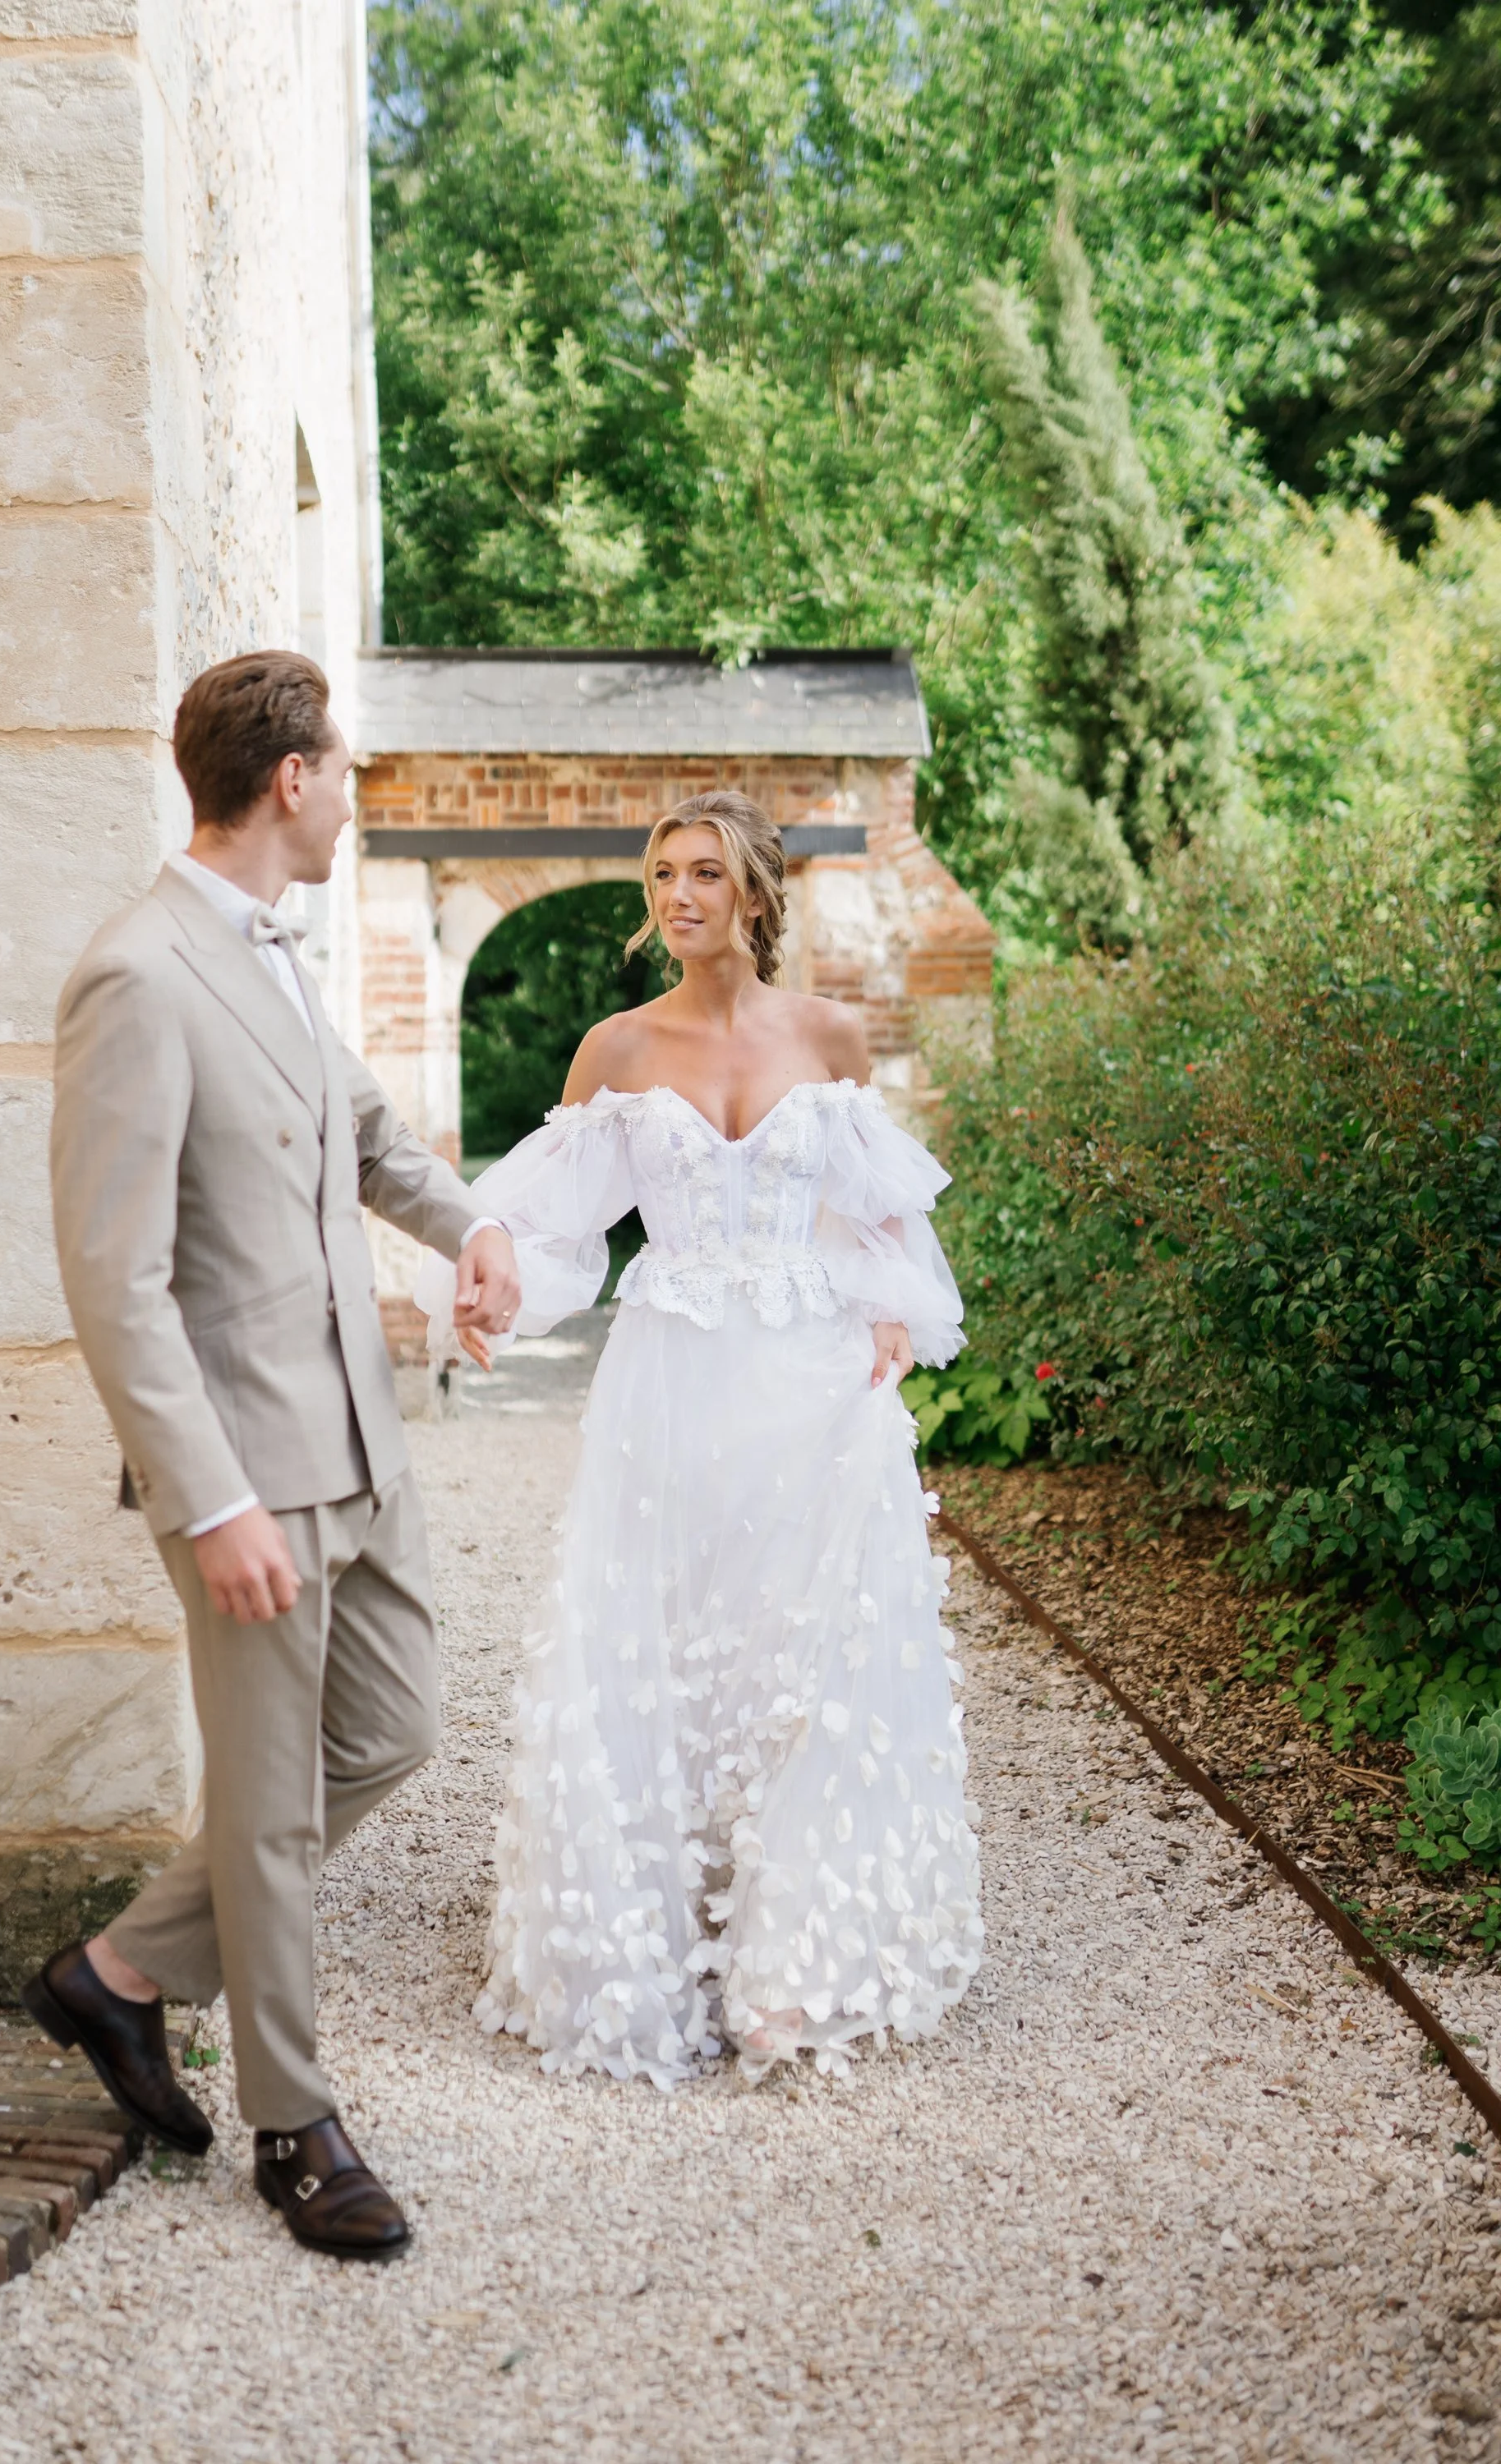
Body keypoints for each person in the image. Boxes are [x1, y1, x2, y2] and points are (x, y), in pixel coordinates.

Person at [25, 651, 521, 2259]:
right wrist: (211, 1494)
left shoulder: (275, 955)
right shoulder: (139, 975)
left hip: (360, 1446)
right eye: (343, 767)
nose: (351, 792)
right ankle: (295, 2127)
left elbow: (363, 1136)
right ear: (288, 778)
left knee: (388, 1734)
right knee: (269, 1805)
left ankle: (113, 1978)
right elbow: (117, 1282)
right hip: (245, 1474)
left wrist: (470, 1231)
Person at [419, 791, 983, 2088]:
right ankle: (634, 1952)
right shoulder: (616, 1050)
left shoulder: (829, 1036)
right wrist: (493, 1279)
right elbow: (553, 1227)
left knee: (810, 1661)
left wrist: (888, 1318)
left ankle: (799, 1968)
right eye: (663, 873)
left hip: (811, 1386)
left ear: (756, 896)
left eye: (705, 874)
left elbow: (876, 1218)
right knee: (656, 1651)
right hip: (668, 1383)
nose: (678, 896)